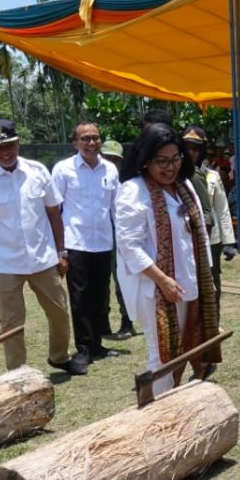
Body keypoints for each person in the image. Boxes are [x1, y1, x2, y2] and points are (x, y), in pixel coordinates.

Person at [0, 119, 86, 376]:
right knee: (11, 322)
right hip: (6, 262)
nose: (6, 152)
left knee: (59, 312)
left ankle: (59, 356)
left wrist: (61, 251)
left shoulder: (38, 171)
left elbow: (54, 214)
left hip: (43, 258)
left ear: (18, 142)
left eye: (10, 145)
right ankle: (17, 372)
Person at [115, 124, 221, 396]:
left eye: (175, 159)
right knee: (162, 354)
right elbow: (130, 246)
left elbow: (200, 235)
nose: (169, 167)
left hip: (188, 282)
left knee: (186, 347)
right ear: (146, 160)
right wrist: (163, 281)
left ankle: (171, 400)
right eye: (161, 161)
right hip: (154, 289)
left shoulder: (184, 186)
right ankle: (154, 410)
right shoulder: (133, 191)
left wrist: (208, 276)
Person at [52, 122, 120, 364]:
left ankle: (98, 344)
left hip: (103, 242)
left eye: (96, 138)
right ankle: (83, 348)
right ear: (75, 143)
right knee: (79, 298)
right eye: (86, 139)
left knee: (100, 296)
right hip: (76, 243)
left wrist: (121, 240)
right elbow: (54, 208)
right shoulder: (63, 169)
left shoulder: (110, 170)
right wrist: (58, 248)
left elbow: (116, 208)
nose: (92, 143)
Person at [182, 125, 236, 306]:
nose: (192, 152)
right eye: (188, 147)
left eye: (196, 148)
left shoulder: (212, 176)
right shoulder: (175, 174)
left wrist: (229, 242)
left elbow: (222, 209)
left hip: (211, 238)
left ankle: (214, 320)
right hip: (185, 236)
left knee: (213, 280)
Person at [100, 139, 137, 339]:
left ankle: (127, 322)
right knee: (100, 282)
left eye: (115, 160)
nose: (111, 163)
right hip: (97, 239)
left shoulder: (124, 186)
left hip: (118, 238)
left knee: (121, 279)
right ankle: (102, 323)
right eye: (107, 158)